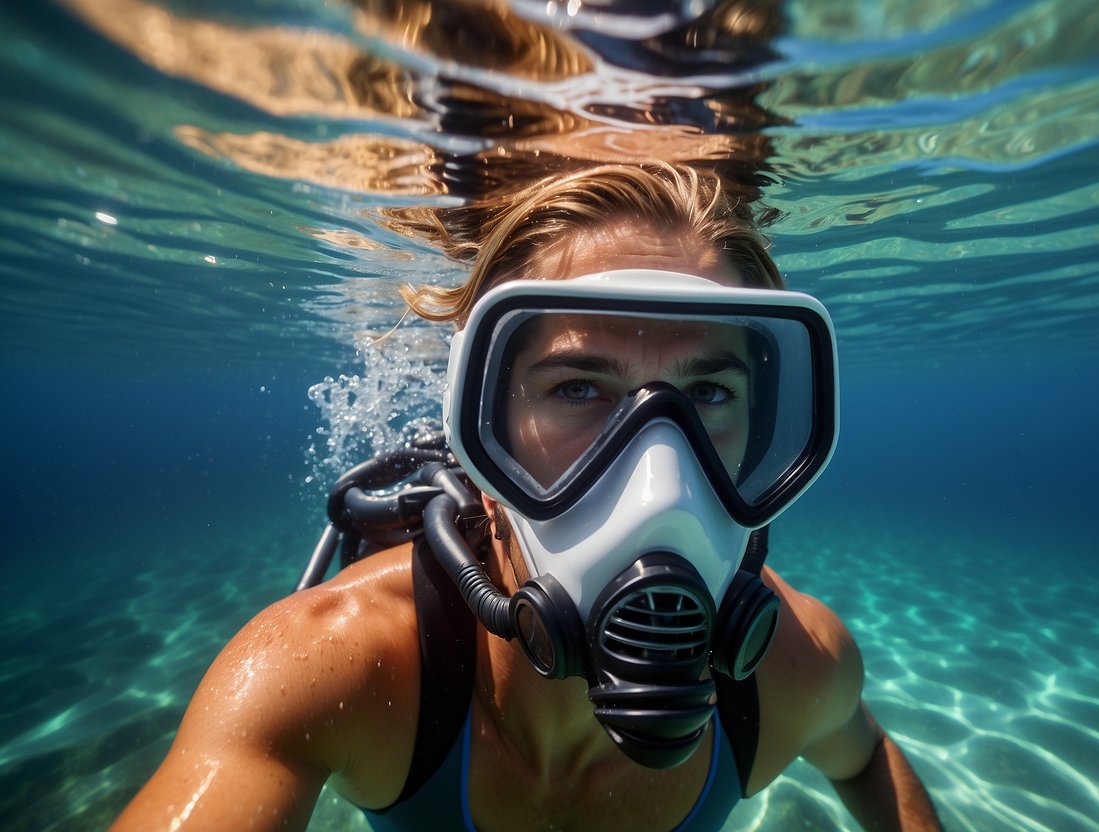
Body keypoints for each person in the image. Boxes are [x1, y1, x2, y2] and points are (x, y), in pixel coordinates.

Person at [113, 163, 941, 831]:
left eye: (711, 397)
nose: (660, 482)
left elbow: (865, 758)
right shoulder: (335, 666)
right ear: (483, 428)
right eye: (578, 387)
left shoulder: (797, 669)